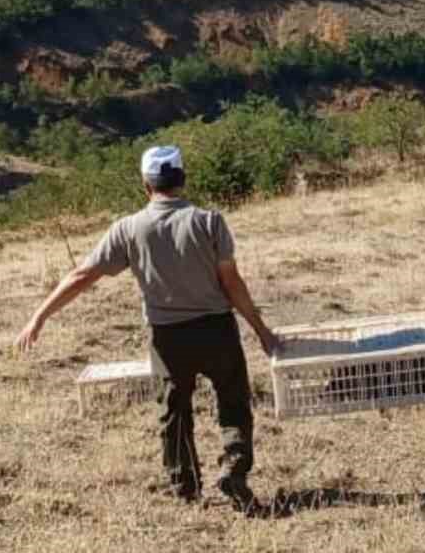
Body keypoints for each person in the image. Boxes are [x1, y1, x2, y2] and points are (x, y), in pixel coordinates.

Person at [14, 146, 281, 512]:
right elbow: (233, 284)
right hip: (217, 328)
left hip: (167, 336)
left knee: (174, 411)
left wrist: (39, 317)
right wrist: (262, 331)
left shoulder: (127, 229)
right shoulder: (209, 221)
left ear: (146, 184)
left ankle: (185, 488)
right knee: (233, 401)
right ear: (182, 179)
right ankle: (234, 467)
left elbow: (82, 275)